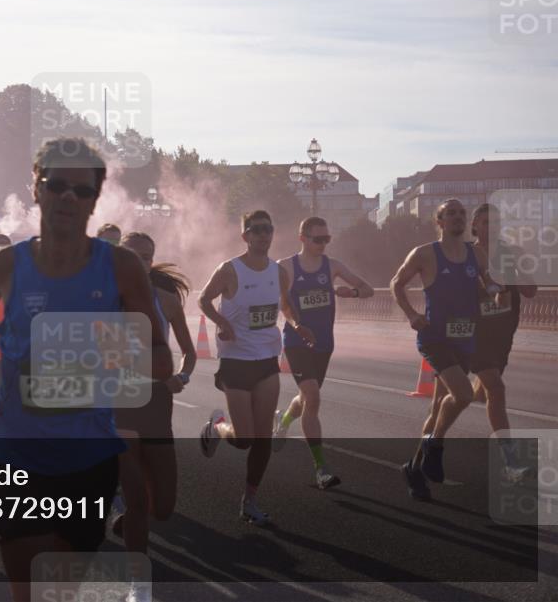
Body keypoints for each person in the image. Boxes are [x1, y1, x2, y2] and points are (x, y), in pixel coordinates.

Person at [0, 138, 172, 602]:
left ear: (96, 198)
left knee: (60, 591)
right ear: (36, 189)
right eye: (55, 185)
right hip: (16, 449)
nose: (67, 197)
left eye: (82, 189)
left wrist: (93, 354)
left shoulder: (121, 267)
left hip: (88, 455)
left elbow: (161, 357)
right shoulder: (7, 263)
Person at [197, 210, 312, 526]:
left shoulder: (278, 272)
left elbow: (285, 306)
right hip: (235, 361)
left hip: (265, 360)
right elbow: (204, 300)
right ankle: (217, 426)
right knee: (243, 438)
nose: (263, 235)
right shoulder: (229, 270)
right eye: (256, 230)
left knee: (262, 439)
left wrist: (297, 324)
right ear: (245, 235)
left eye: (268, 230)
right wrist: (221, 322)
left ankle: (250, 500)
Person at [391, 199, 502, 500]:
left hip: (464, 337)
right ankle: (434, 446)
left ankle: (413, 469)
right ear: (439, 221)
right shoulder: (425, 253)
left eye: (461, 213)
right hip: (435, 337)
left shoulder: (476, 253)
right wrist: (413, 315)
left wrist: (495, 293)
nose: (458, 217)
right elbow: (396, 284)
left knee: (438, 408)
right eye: (450, 213)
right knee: (464, 395)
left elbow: (488, 281)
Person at [113, 231, 196, 567]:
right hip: (119, 402)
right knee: (135, 501)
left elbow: (189, 353)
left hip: (157, 403)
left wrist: (182, 376)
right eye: (132, 256)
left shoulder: (167, 299)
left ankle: (133, 519)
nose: (140, 262)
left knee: (162, 507)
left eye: (146, 257)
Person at [272, 217, 374, 489]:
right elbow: (283, 304)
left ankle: (282, 422)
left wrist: (350, 293)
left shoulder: (332, 266)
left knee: (307, 396)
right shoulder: (286, 267)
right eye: (318, 239)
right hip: (296, 342)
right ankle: (321, 468)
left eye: (327, 239)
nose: (323, 244)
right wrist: (297, 325)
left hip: (324, 343)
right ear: (302, 238)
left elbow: (368, 289)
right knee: (313, 396)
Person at [466, 204, 536, 479]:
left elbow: (530, 291)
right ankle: (510, 462)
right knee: (496, 388)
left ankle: (449, 401)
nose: (489, 227)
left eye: (494, 222)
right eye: (484, 222)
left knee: (479, 393)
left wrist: (519, 270)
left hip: (504, 332)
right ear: (474, 225)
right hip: (476, 331)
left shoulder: (513, 252)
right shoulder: (465, 255)